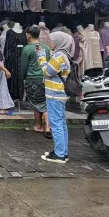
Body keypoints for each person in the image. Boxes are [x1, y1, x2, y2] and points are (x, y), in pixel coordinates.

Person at [37, 31, 73, 164]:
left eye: (52, 40)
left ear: (58, 41)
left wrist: (41, 58)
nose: (50, 43)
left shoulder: (58, 56)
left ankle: (59, 155)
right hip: (59, 94)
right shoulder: (63, 55)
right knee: (61, 124)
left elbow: (47, 72)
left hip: (54, 94)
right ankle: (62, 151)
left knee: (56, 124)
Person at [21, 26, 51, 137]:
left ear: (29, 35)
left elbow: (24, 67)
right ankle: (48, 126)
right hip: (45, 78)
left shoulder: (27, 49)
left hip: (32, 79)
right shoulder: (46, 48)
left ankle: (39, 125)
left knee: (35, 103)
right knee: (45, 103)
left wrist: (23, 78)